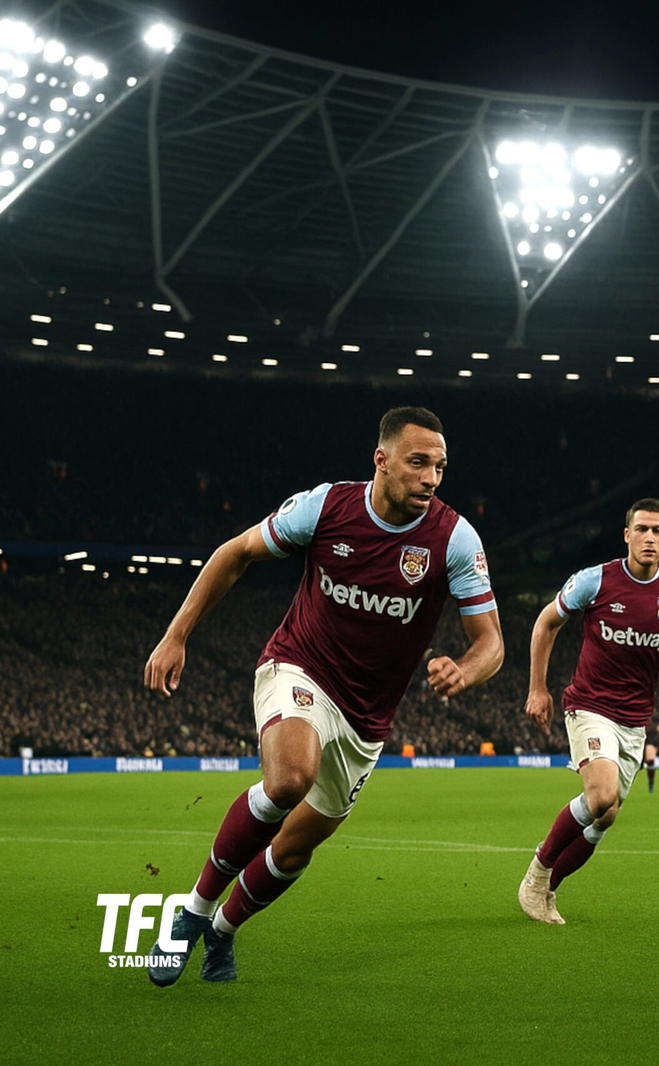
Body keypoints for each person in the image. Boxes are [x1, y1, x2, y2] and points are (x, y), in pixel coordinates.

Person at [143, 406, 503, 985]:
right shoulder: (328, 507)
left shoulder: (453, 538)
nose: (431, 478)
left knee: (292, 852)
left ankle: (224, 931)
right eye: (418, 463)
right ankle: (194, 909)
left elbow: (490, 643)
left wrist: (466, 668)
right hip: (300, 666)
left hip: (367, 719)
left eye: (439, 466)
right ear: (381, 460)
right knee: (290, 779)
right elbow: (233, 554)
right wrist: (176, 634)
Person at [519, 499, 659, 924]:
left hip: (634, 720)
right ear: (626, 535)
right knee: (601, 794)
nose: (649, 537)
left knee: (604, 817)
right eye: (641, 529)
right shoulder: (595, 581)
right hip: (589, 706)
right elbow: (545, 623)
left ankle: (549, 891)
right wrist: (538, 689)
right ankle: (536, 875)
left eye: (657, 530)